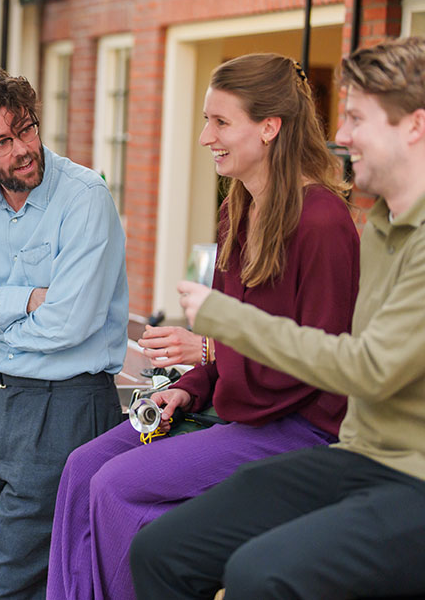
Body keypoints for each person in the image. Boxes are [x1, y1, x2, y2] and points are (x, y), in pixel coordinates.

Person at [46, 53, 358, 600]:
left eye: (219, 121)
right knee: (81, 469)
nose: (203, 137)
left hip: (296, 428)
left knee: (116, 487)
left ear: (269, 127)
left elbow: (325, 362)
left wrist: (211, 350)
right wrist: (187, 388)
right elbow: (221, 348)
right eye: (205, 120)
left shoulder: (324, 223)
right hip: (231, 408)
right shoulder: (235, 210)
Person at [131, 37, 425, 600]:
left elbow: (367, 368)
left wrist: (221, 327)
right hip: (360, 457)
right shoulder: (383, 229)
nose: (341, 135)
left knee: (259, 573)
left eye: (358, 118)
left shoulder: (339, 223)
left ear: (412, 126)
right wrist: (206, 367)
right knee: (160, 552)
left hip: (408, 472)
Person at [0, 68, 129, 599]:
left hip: (66, 407)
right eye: (1, 142)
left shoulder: (85, 198)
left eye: (27, 129)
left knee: (15, 581)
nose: (22, 149)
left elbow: (69, 322)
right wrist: (22, 300)